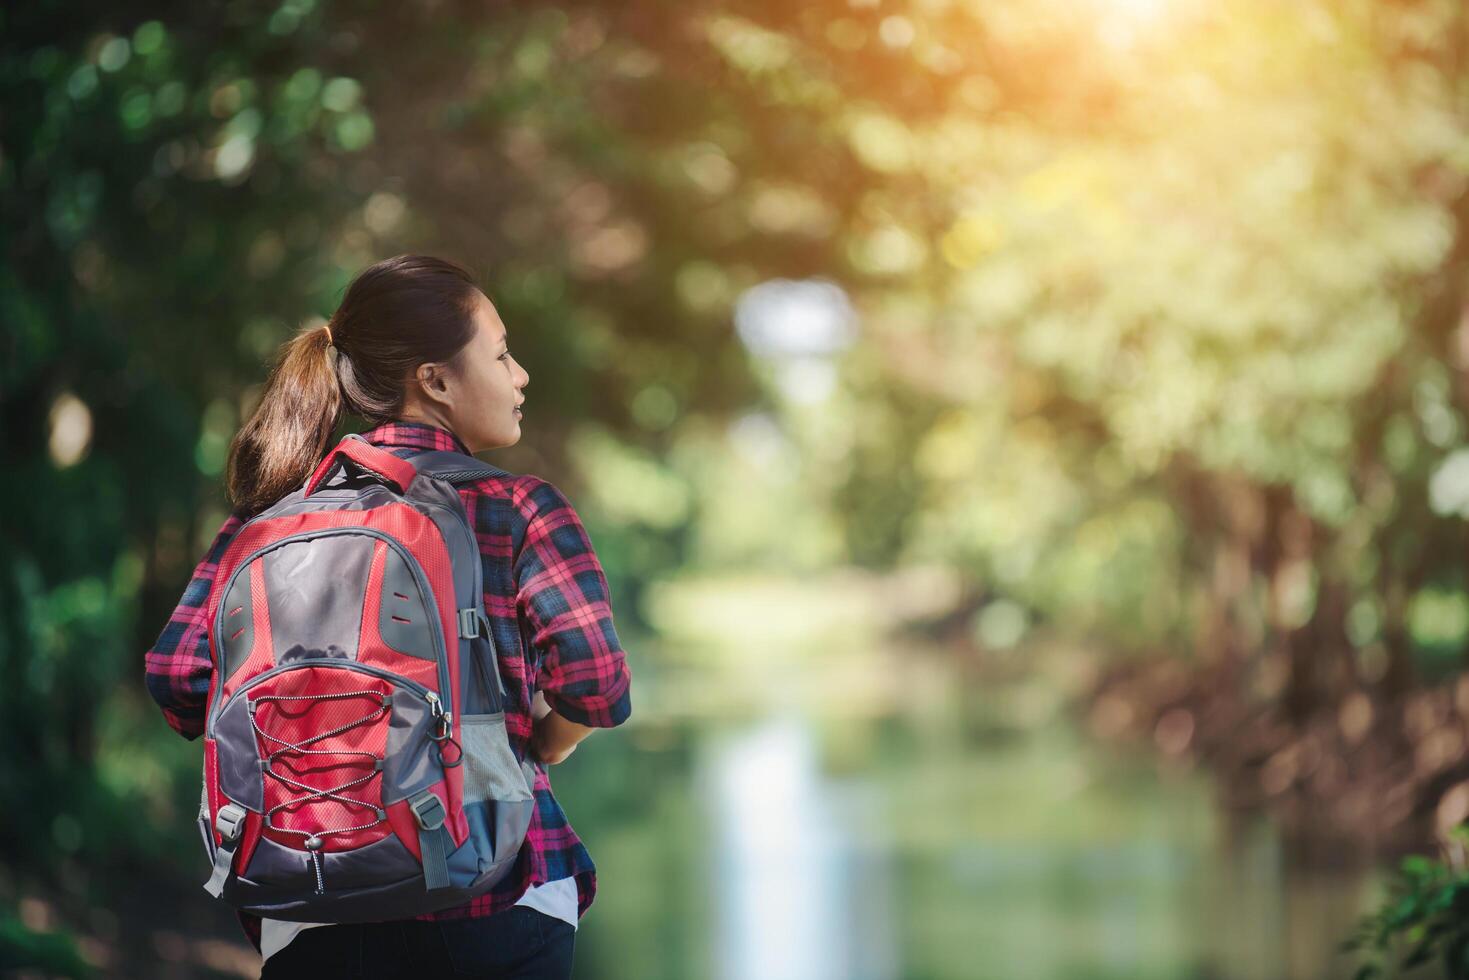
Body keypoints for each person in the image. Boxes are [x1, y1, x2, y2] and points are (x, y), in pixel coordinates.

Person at [143, 254, 633, 978]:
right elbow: (595, 683)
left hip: (308, 898)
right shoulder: (519, 508)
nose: (519, 374)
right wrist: (544, 744)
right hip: (497, 893)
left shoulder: (267, 524)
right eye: (500, 355)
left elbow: (178, 680)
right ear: (433, 380)